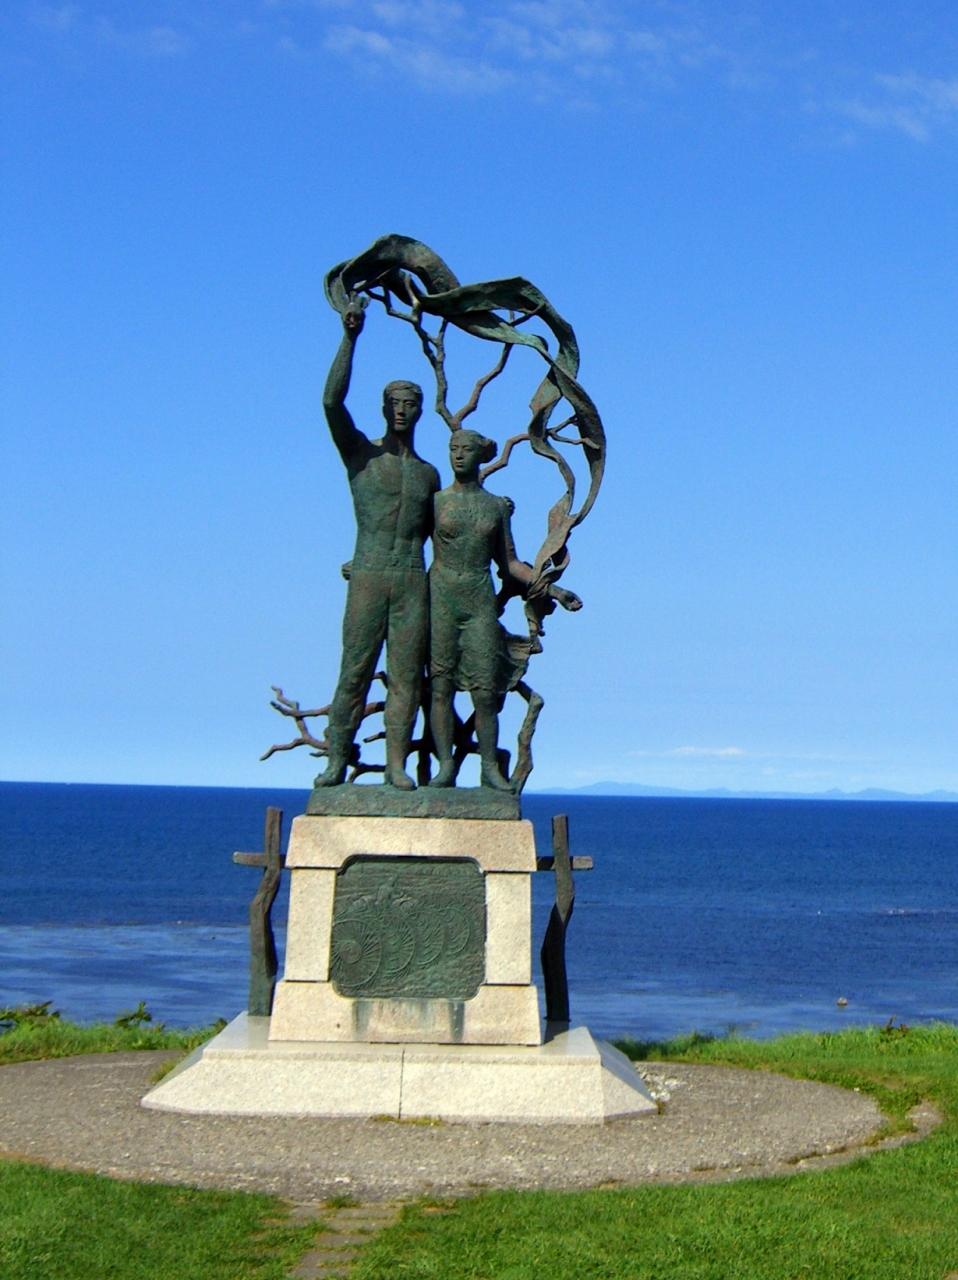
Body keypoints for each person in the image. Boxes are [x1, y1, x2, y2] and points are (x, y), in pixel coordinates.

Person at [315, 300, 440, 790]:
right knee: (355, 670)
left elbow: (440, 536)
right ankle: (336, 760)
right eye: (395, 404)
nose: (402, 411)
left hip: (411, 578)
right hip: (369, 573)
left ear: (420, 410)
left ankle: (396, 765)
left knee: (407, 676)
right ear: (384, 409)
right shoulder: (362, 456)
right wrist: (350, 337)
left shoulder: (429, 475)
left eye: (410, 404)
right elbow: (331, 403)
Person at [428, 429, 581, 791]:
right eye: (453, 449)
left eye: (466, 449)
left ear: (480, 455)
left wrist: (554, 590)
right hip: (441, 599)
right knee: (440, 688)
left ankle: (488, 769)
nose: (458, 455)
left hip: (479, 602)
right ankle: (445, 767)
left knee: (486, 692)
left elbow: (510, 563)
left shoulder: (496, 506)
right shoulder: (434, 502)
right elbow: (405, 542)